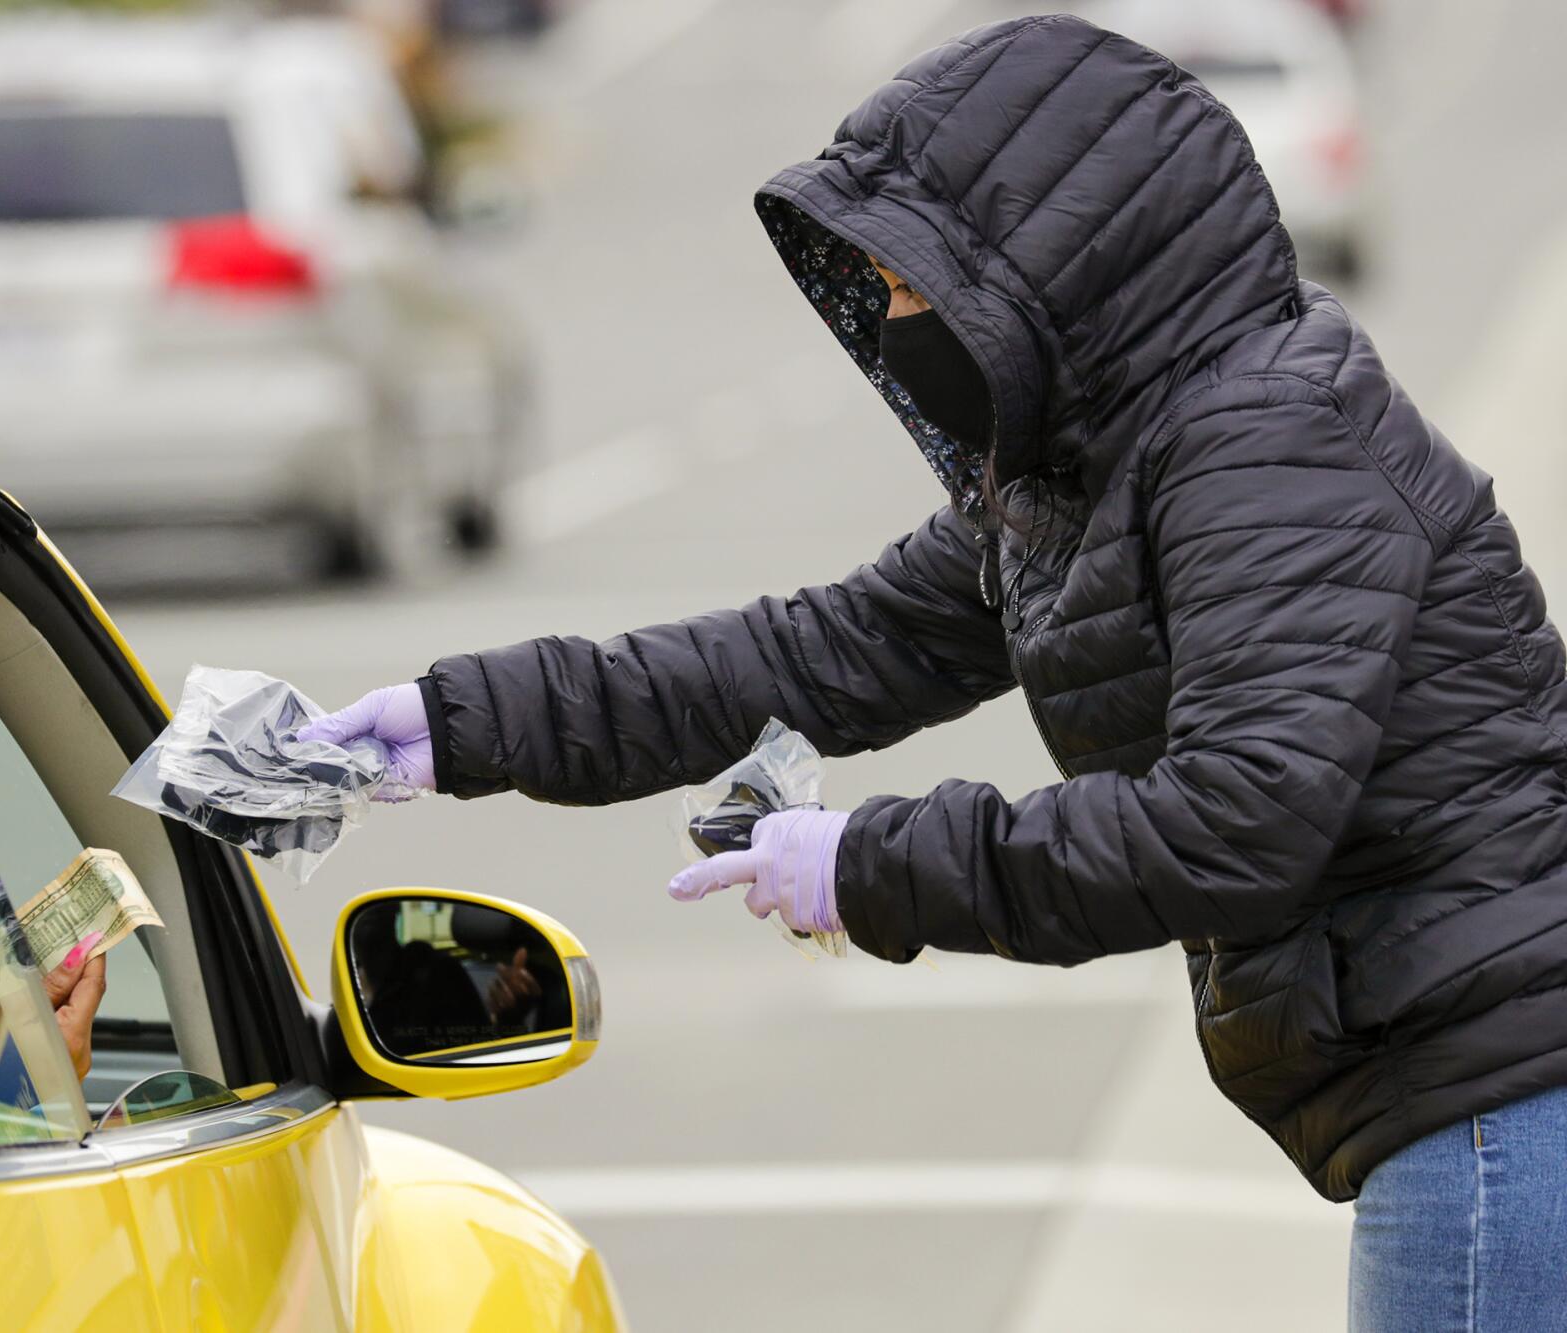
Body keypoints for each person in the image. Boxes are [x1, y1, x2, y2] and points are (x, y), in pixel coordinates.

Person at [300, 15, 1567, 1327]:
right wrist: (464, 724)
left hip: (1503, 1096)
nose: (897, 321)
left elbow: (1240, 819)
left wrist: (869, 865)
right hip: (1466, 1089)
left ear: (1052, 270)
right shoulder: (1091, 470)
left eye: (918, 285)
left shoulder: (1264, 442)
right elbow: (818, 652)